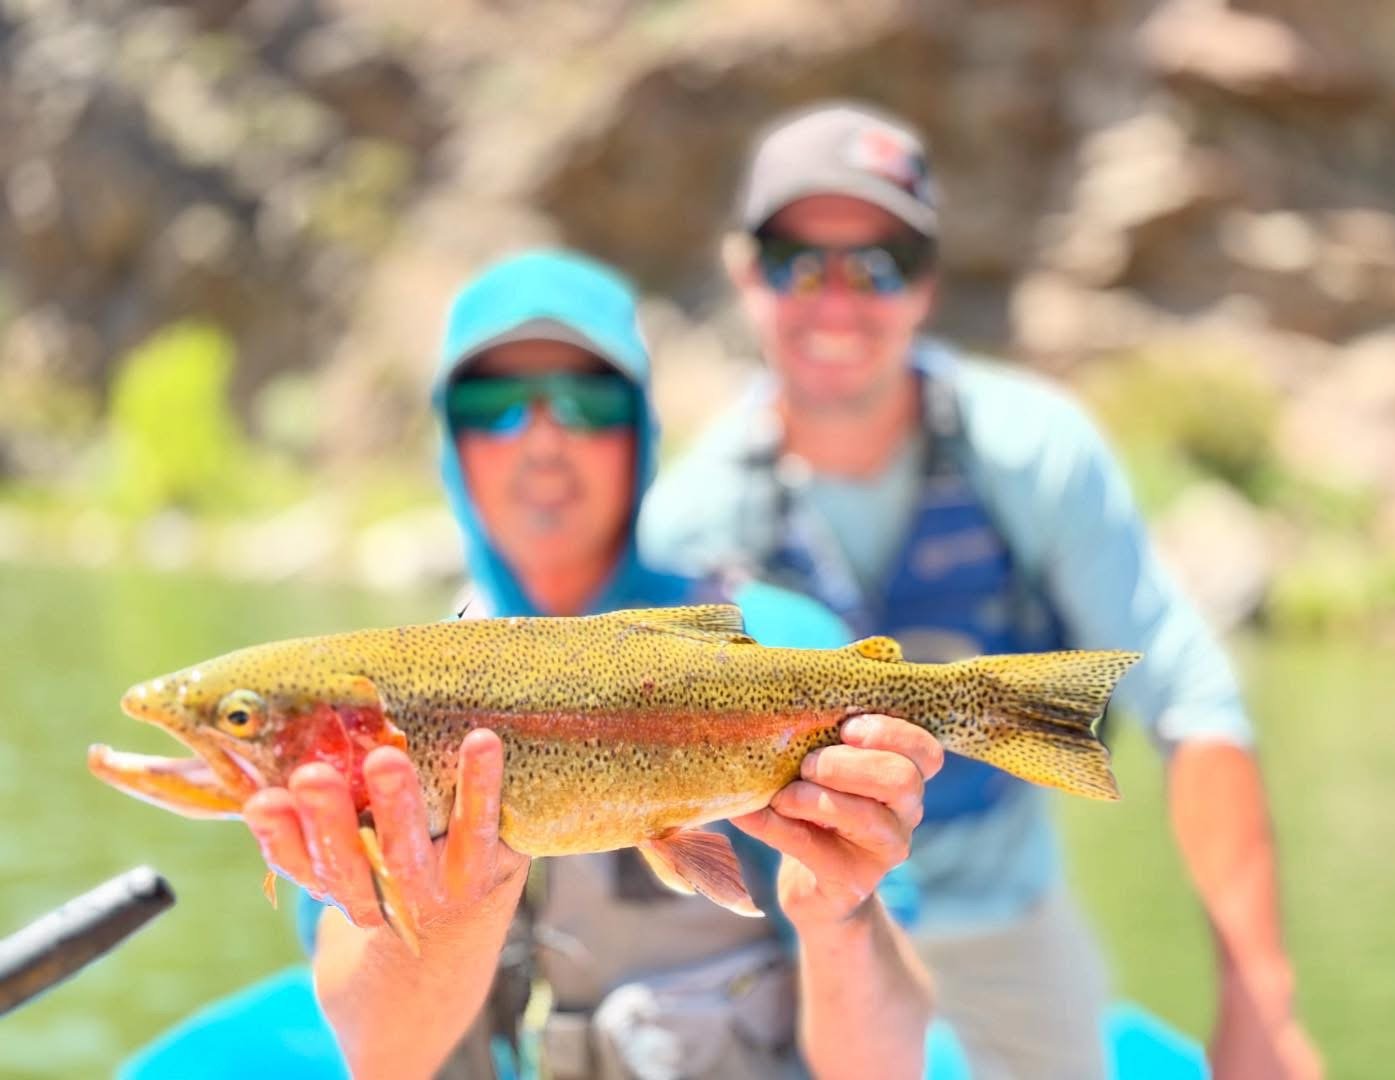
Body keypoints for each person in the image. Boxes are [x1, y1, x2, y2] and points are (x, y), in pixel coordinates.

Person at [640, 103, 1322, 1080]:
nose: (838, 300)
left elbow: (1192, 702)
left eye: (879, 264)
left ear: (926, 286)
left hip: (1007, 912)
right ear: (746, 274)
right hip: (800, 913)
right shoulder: (693, 520)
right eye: (799, 260)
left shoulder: (1033, 452)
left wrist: (1262, 1008)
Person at [238, 250, 949, 1080]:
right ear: (451, 447)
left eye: (587, 400)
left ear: (643, 433)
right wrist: (443, 923)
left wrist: (840, 919)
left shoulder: (781, 654)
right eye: (496, 404)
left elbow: (888, 1067)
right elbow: (381, 1059)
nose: (542, 440)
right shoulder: (393, 699)